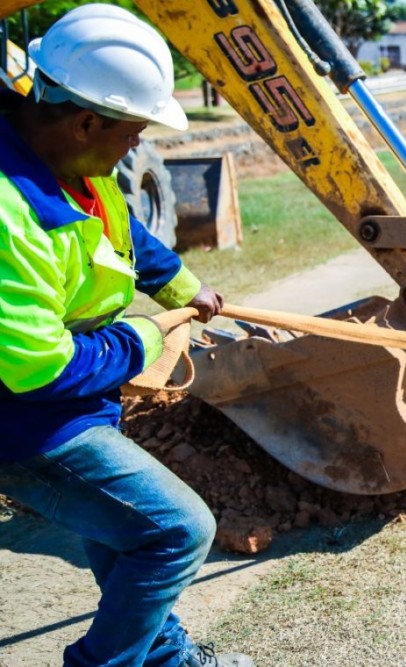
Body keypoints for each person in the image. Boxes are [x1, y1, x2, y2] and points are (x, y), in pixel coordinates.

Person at [0, 5, 253, 666]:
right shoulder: (7, 210)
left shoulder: (76, 166)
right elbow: (37, 370)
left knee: (126, 540)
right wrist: (139, 342)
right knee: (177, 530)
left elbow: (123, 232)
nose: (135, 147)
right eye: (135, 131)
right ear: (87, 120)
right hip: (25, 423)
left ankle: (166, 659)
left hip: (69, 405)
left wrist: (181, 286)